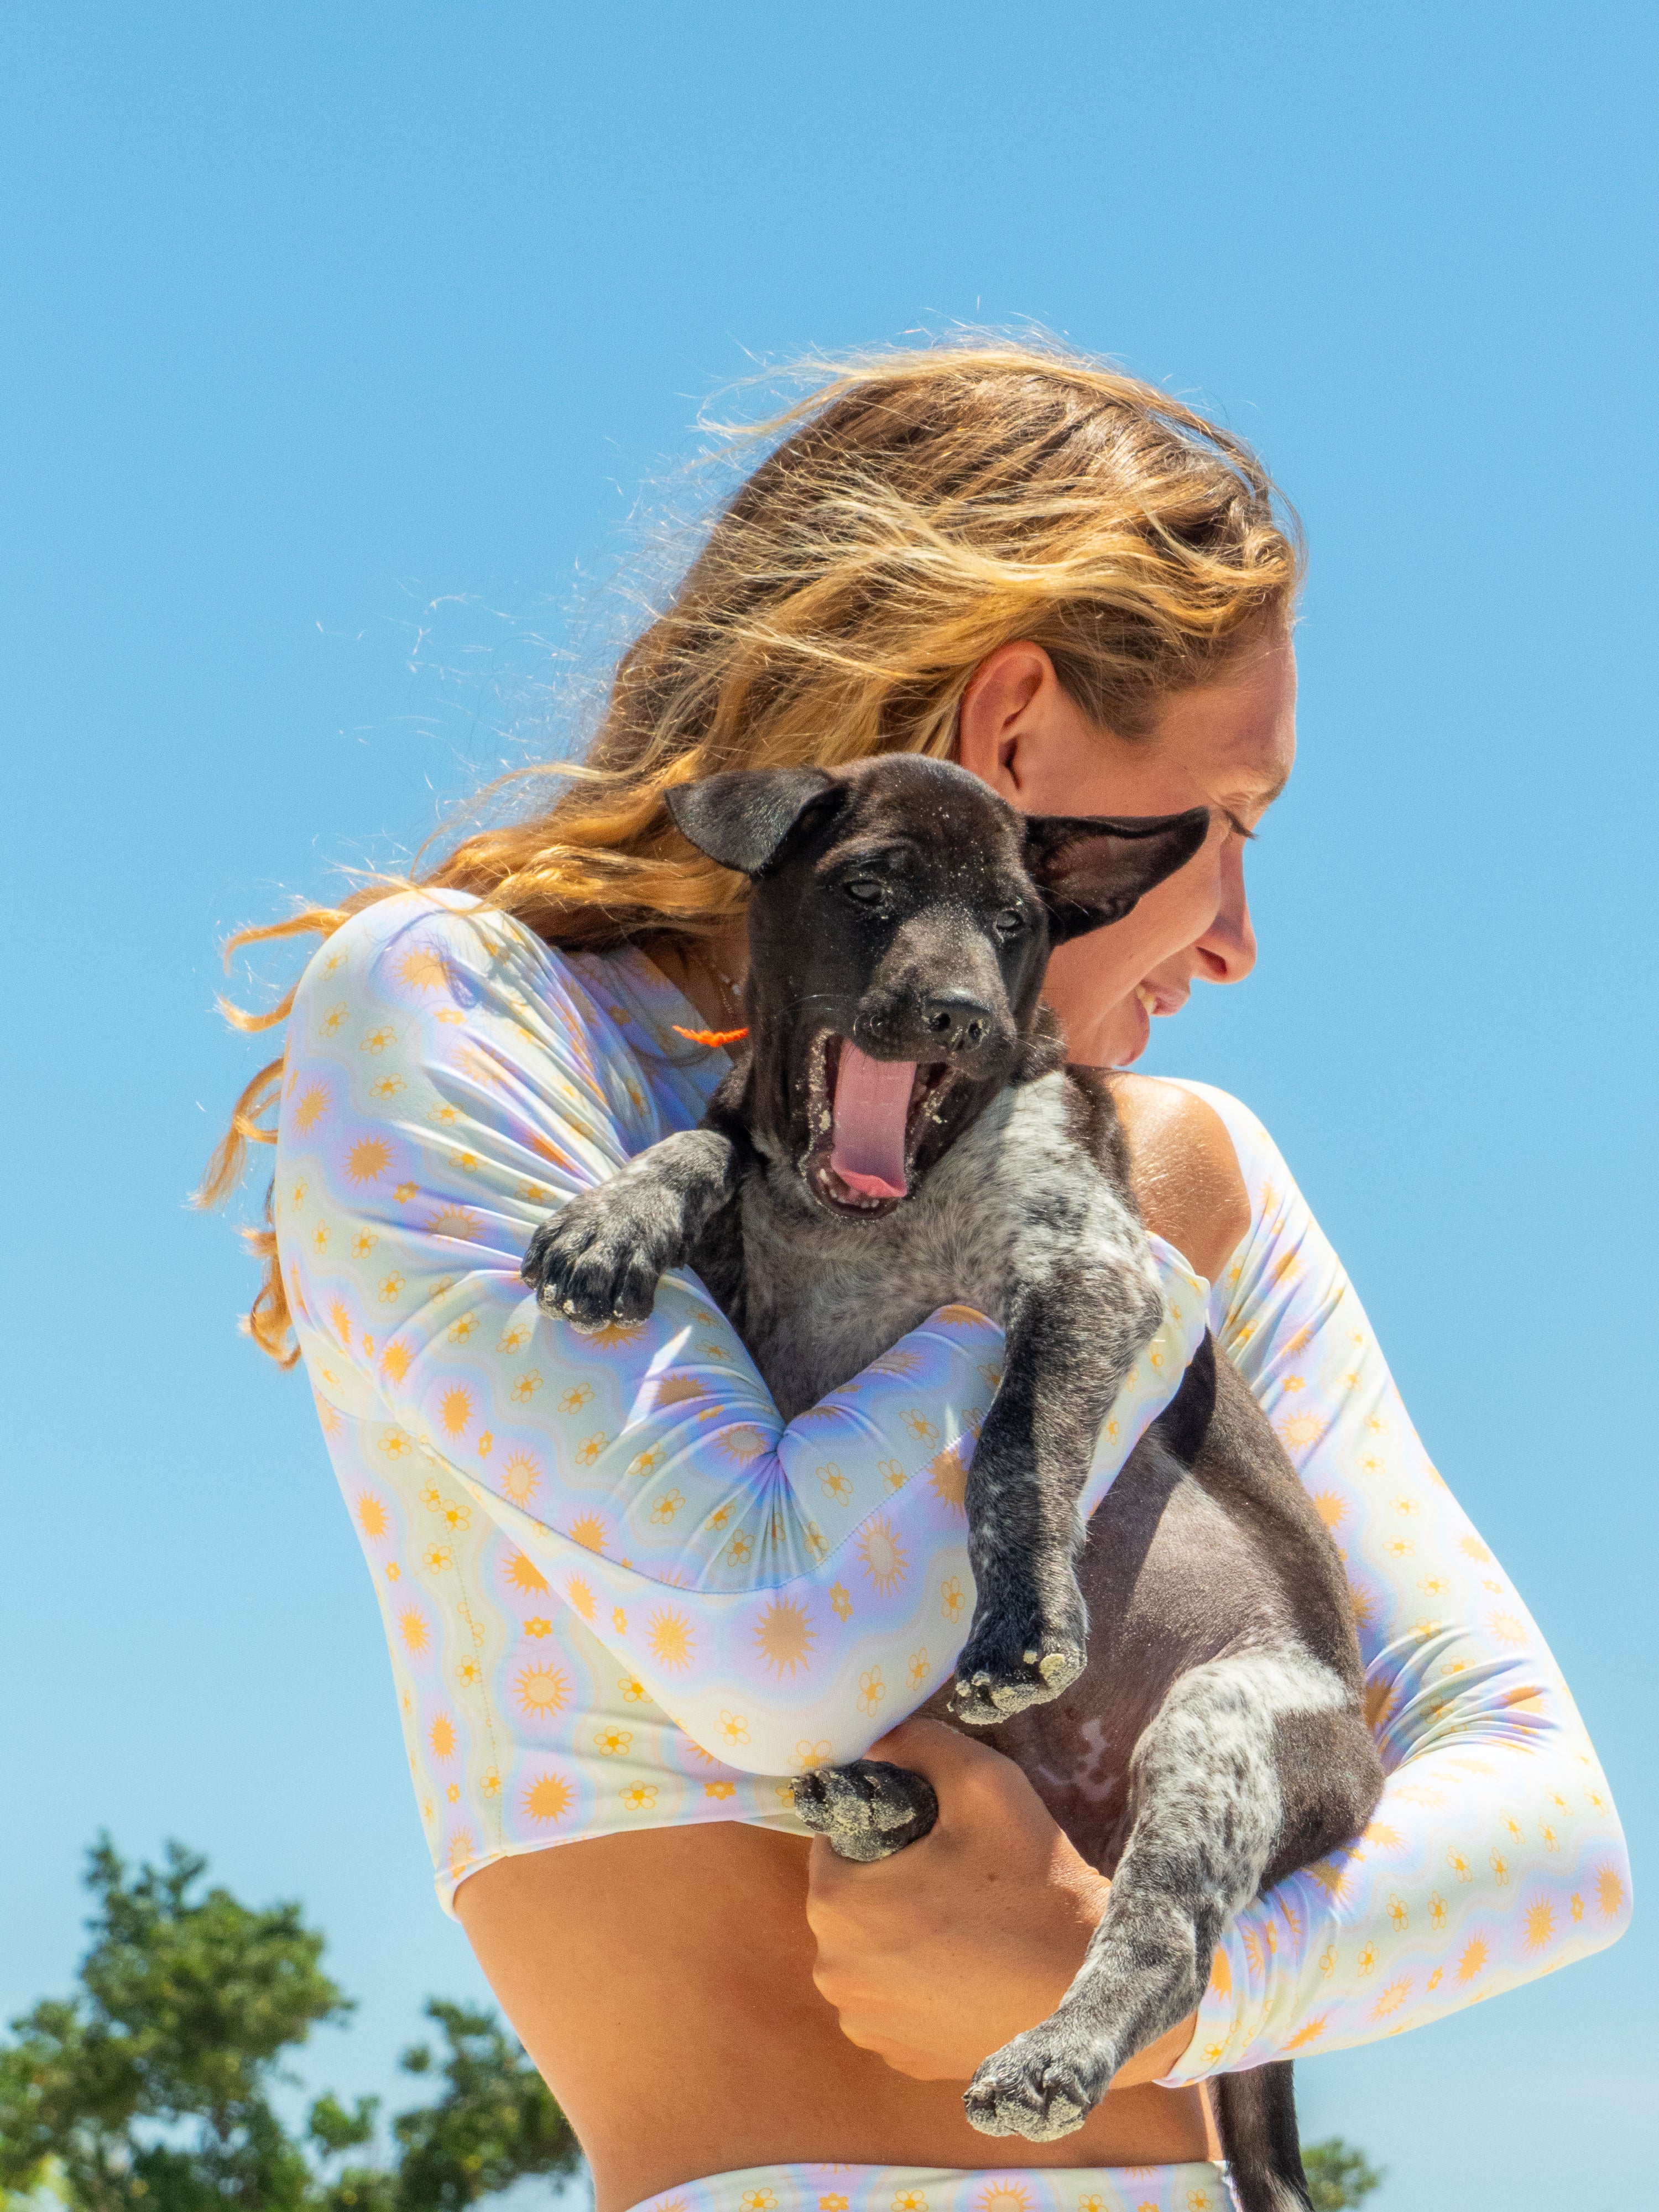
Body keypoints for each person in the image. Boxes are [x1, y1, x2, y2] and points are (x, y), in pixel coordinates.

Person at [205, 343, 1629, 2212]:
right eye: (1228, 821)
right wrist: (1134, 1253)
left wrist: (1151, 1988)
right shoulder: (461, 1013)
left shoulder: (1181, 1167)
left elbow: (1553, 1831)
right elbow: (773, 1646)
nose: (1245, 939)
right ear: (1018, 736)